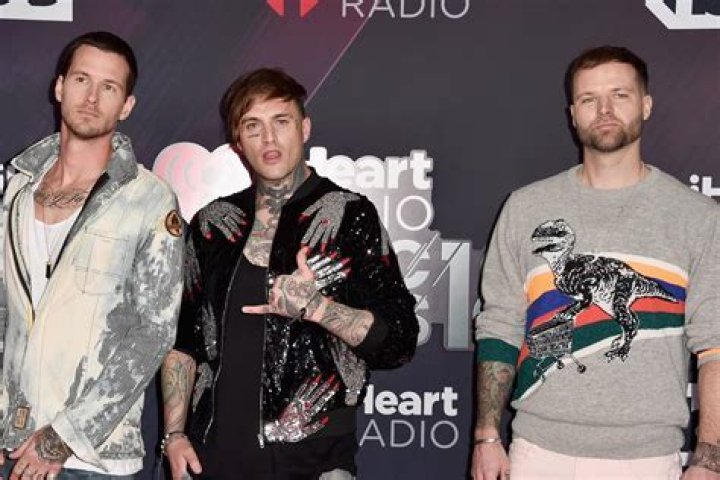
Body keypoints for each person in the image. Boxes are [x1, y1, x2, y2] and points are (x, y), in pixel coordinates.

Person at [472, 45, 720, 480]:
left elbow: (714, 345)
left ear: (645, 104)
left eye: (619, 95)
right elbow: (500, 328)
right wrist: (487, 436)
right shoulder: (525, 208)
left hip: (646, 458)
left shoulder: (696, 216)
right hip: (538, 451)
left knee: (621, 307)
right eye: (589, 99)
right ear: (573, 114)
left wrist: (708, 458)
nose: (604, 110)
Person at [159, 68, 418, 480]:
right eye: (253, 126)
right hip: (212, 454)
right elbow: (183, 341)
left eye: (281, 121)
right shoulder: (212, 224)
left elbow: (400, 341)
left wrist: (318, 308)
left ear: (305, 128)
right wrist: (174, 434)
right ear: (238, 141)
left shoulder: (349, 215)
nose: (269, 138)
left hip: (313, 458)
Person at [0, 31, 184, 479]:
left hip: (93, 460)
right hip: (14, 445)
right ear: (59, 87)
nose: (91, 97)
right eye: (82, 79)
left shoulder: (149, 198)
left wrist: (62, 438)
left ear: (127, 105)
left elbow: (153, 333)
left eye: (109, 87)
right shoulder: (18, 188)